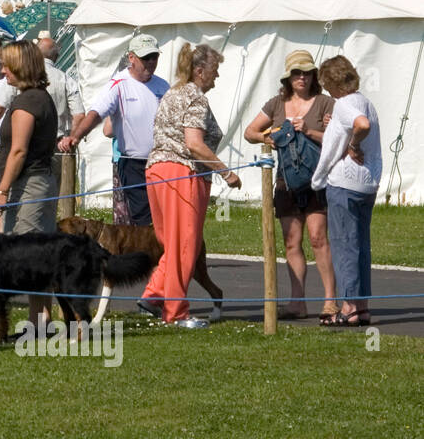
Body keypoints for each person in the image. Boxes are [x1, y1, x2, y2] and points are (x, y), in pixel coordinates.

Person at [140, 44, 240, 328]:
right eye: (214, 71)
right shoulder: (195, 98)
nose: (217, 77)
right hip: (181, 174)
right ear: (199, 71)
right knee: (186, 245)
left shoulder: (172, 92)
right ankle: (176, 312)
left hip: (156, 171)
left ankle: (154, 295)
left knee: (171, 242)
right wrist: (226, 173)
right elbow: (194, 143)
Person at [243, 50, 337, 319]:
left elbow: (337, 138)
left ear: (313, 76)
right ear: (288, 77)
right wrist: (270, 138)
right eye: (297, 73)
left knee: (319, 239)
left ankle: (330, 300)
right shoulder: (276, 104)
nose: (302, 78)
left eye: (307, 73)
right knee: (292, 242)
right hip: (286, 181)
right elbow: (249, 132)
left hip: (317, 180)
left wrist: (309, 131)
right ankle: (298, 302)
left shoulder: (325, 103)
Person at [59, 33, 169, 226]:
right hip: (134, 163)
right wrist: (75, 136)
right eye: (145, 58)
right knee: (144, 218)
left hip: (163, 162)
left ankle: (166, 255)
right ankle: (149, 255)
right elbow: (95, 113)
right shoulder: (118, 84)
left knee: (164, 214)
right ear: (131, 58)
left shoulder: (163, 86)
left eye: (154, 57)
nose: (151, 62)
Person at [0, 41, 60, 330]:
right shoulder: (38, 97)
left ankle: (37, 323)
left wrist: (2, 190)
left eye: (7, 65)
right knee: (37, 256)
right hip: (39, 182)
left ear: (21, 67)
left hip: (29, 185)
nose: (2, 70)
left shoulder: (28, 102)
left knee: (28, 256)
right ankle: (40, 321)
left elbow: (18, 150)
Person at [311, 56, 381, 327]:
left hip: (345, 183)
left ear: (333, 83)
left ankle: (349, 308)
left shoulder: (344, 104)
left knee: (344, 245)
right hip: (368, 183)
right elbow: (361, 119)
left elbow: (361, 125)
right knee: (362, 245)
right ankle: (362, 307)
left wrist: (352, 144)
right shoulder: (365, 101)